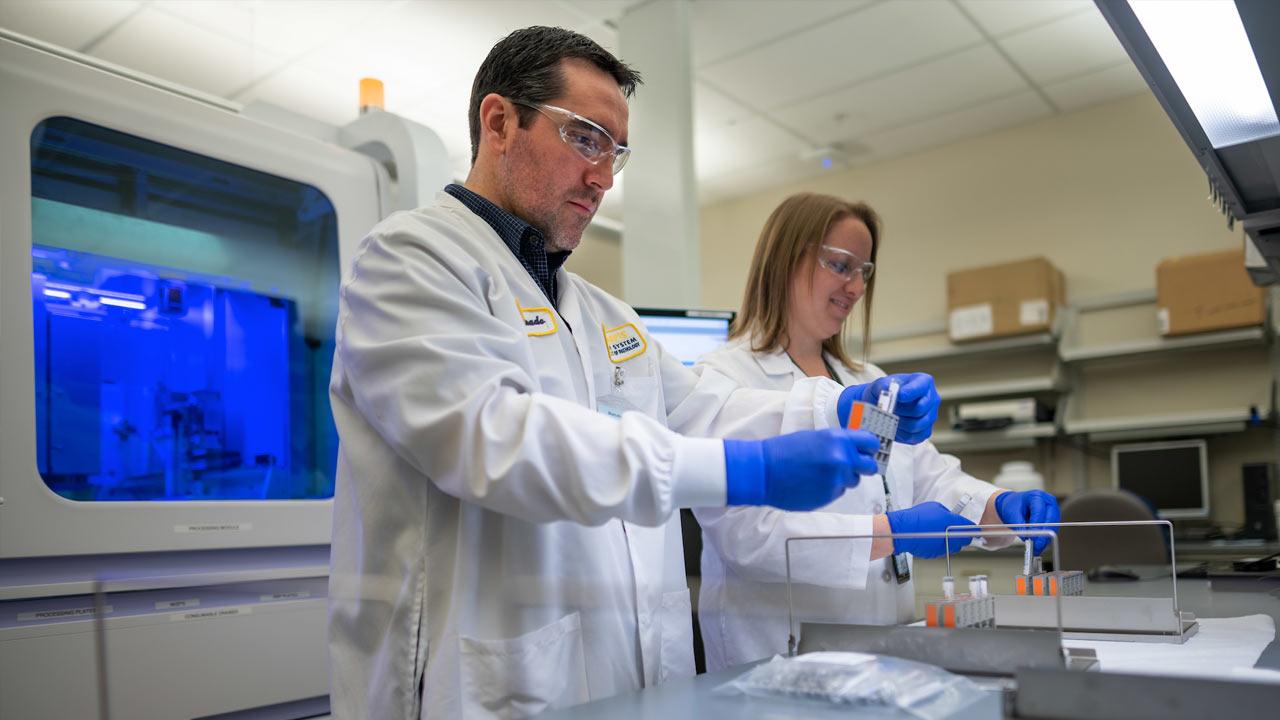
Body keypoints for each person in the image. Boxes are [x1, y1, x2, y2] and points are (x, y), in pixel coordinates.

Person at [326, 29, 931, 720]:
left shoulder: (601, 313)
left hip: (633, 682)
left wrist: (841, 409)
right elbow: (497, 440)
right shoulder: (408, 261)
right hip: (481, 685)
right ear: (500, 122)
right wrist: (746, 472)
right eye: (585, 139)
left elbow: (704, 407)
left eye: (615, 152)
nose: (604, 178)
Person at [694, 192, 1060, 672]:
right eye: (840, 265)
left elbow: (928, 477)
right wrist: (892, 534)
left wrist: (999, 506)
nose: (855, 286)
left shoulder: (866, 379)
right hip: (778, 654)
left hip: (887, 643)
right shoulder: (722, 379)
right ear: (786, 259)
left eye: (864, 271)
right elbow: (747, 537)